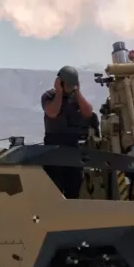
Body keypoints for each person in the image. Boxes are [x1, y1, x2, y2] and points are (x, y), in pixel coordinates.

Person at [40, 66, 94, 198]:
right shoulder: (49, 96)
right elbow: (52, 112)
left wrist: (78, 93)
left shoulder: (76, 99)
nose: (70, 88)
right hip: (54, 150)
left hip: (73, 149)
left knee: (74, 189)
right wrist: (59, 92)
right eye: (68, 85)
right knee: (54, 191)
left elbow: (88, 113)